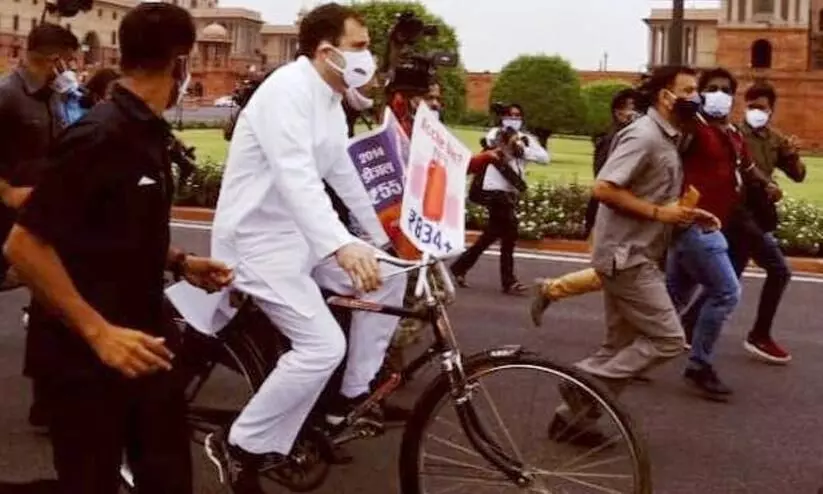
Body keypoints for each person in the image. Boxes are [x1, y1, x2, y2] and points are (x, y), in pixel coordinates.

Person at [3, 4, 233, 493]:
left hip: (145, 344)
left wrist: (180, 261)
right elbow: (24, 246)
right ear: (181, 61)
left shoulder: (147, 131)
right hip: (84, 358)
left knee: (168, 478)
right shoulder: (99, 135)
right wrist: (99, 332)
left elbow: (108, 229)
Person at [206, 3, 407, 490]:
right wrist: (341, 245)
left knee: (393, 276)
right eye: (359, 47)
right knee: (322, 347)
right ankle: (239, 444)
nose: (368, 58)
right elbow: (296, 177)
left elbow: (343, 173)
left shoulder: (330, 98)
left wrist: (385, 239)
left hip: (298, 236)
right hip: (256, 241)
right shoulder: (287, 93)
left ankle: (349, 398)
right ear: (326, 51)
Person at [549, 66, 718, 445]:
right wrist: (661, 214)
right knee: (669, 339)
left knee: (620, 347)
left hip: (636, 252)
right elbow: (604, 188)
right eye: (688, 90)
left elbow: (653, 196)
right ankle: (583, 384)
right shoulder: (643, 136)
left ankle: (571, 421)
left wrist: (684, 214)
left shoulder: (667, 138)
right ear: (665, 96)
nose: (696, 97)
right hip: (627, 258)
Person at [665, 68, 763, 400]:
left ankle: (623, 355)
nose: (719, 93)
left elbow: (747, 169)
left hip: (710, 223)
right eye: (711, 88)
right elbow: (675, 137)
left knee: (671, 299)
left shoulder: (732, 133)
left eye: (725, 89)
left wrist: (767, 184)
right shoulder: (694, 129)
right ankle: (699, 364)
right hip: (696, 224)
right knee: (725, 292)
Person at [0, 22, 79, 428]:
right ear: (52, 58)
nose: (67, 69)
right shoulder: (7, 96)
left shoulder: (51, 97)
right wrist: (7, 192)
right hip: (5, 218)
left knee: (51, 305)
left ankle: (46, 403)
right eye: (65, 60)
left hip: (38, 219)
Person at [530, 89, 641, 325]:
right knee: (612, 273)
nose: (633, 113)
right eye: (628, 107)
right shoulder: (613, 140)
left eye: (637, 107)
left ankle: (622, 329)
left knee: (624, 274)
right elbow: (604, 181)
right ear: (617, 112)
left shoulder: (633, 138)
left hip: (625, 217)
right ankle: (552, 289)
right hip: (609, 216)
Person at [733, 82, 805, 364]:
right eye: (751, 107)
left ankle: (687, 327)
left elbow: (797, 175)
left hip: (758, 217)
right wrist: (767, 184)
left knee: (727, 280)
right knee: (778, 270)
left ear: (771, 110)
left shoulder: (776, 140)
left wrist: (792, 153)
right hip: (738, 214)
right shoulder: (735, 135)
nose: (755, 112)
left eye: (761, 107)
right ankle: (759, 335)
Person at [450, 103, 550, 295]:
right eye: (510, 115)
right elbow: (493, 144)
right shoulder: (496, 133)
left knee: (491, 235)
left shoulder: (526, 138)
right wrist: (510, 143)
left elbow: (545, 158)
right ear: (503, 117)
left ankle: (459, 267)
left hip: (510, 191)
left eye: (518, 115)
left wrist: (524, 150)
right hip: (494, 190)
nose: (514, 118)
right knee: (510, 232)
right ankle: (509, 281)